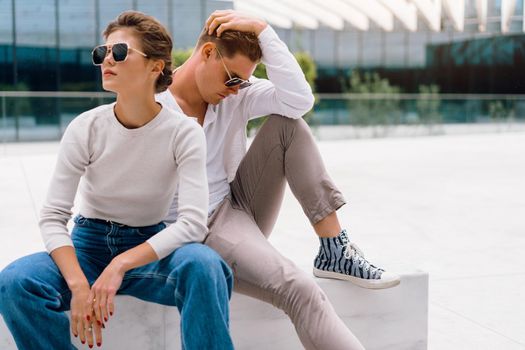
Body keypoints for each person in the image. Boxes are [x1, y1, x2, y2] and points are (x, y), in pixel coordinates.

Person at [156, 9, 401, 350]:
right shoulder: (155, 108)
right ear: (209, 53)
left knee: (288, 125)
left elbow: (299, 101)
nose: (236, 89)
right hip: (198, 231)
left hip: (236, 206)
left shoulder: (235, 92)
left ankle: (334, 249)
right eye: (232, 79)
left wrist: (264, 31)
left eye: (243, 81)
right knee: (299, 289)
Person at [0, 11, 234, 350]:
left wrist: (120, 264)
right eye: (103, 52)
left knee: (205, 265)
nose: (107, 59)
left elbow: (193, 225)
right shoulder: (86, 127)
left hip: (148, 250)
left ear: (156, 66)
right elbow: (52, 216)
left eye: (120, 52)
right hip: (87, 248)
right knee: (15, 282)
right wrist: (80, 285)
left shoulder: (184, 132)